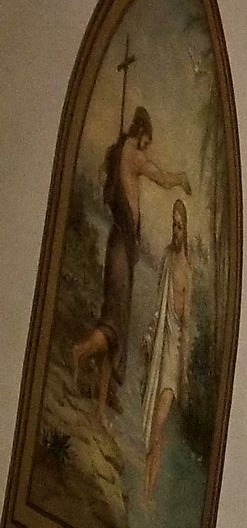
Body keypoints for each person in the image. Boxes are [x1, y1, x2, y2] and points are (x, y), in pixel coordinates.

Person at [71, 104, 190, 425]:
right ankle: (79, 352)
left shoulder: (119, 152)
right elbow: (160, 177)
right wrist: (180, 178)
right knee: (113, 324)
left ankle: (99, 411)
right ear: (141, 133)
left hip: (123, 245)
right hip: (122, 247)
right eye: (147, 141)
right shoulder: (132, 154)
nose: (148, 148)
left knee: (117, 329)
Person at [138, 196, 192, 502]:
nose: (175, 231)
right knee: (152, 433)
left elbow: (185, 325)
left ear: (186, 230)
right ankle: (147, 490)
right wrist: (149, 337)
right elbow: (158, 309)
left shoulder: (187, 273)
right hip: (159, 350)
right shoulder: (167, 259)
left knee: (157, 428)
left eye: (179, 226)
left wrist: (183, 373)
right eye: (173, 225)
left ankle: (148, 493)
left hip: (171, 359)